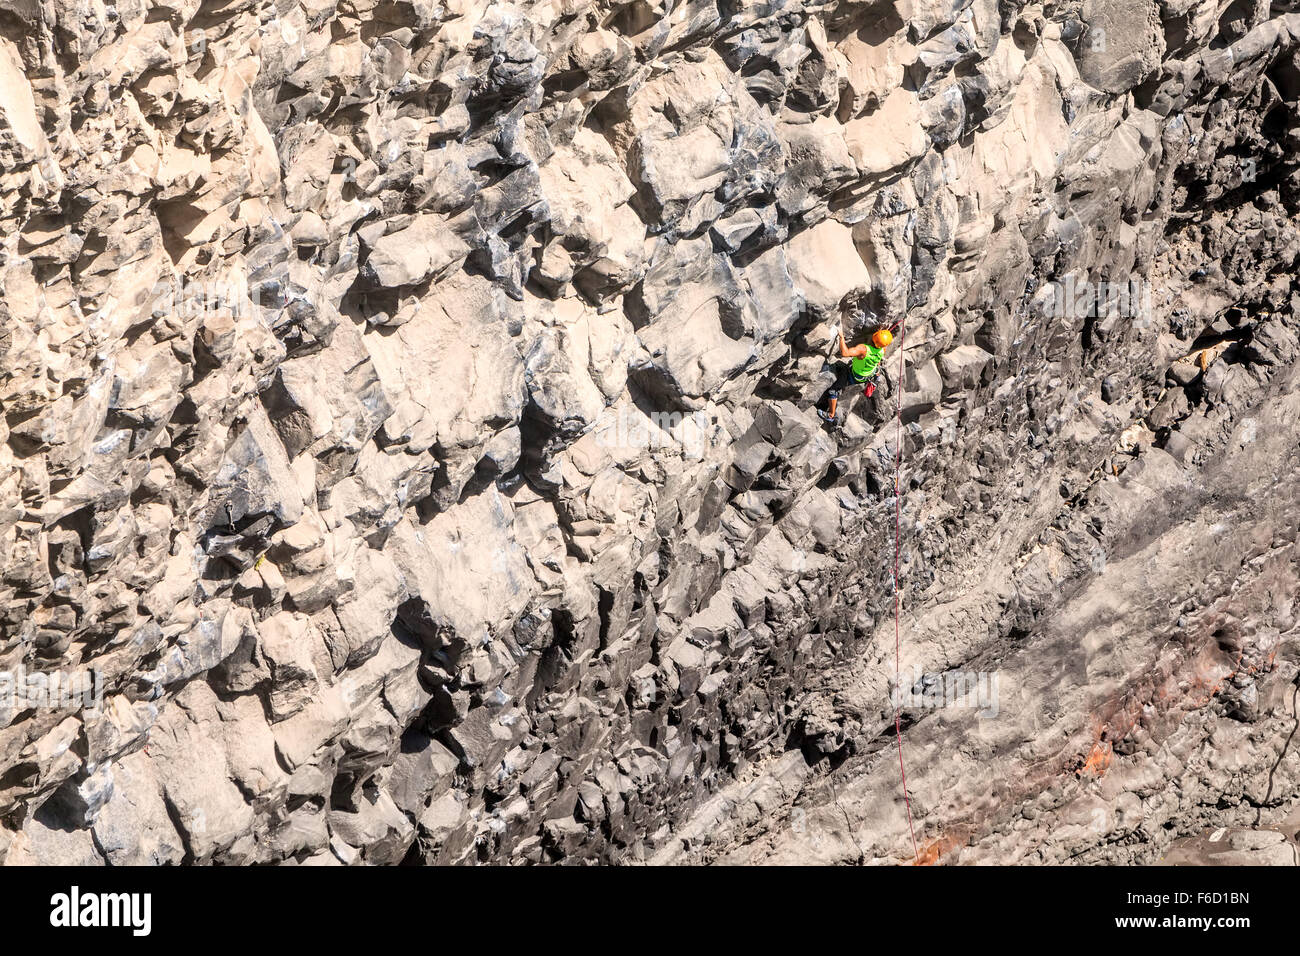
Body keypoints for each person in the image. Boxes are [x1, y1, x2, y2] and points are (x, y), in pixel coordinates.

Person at [818, 325, 893, 424]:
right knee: (875, 364)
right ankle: (877, 375)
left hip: (854, 376)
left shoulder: (863, 349)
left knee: (833, 391)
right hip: (868, 375)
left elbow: (845, 353)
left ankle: (831, 415)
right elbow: (881, 343)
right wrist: (881, 332)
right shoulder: (882, 350)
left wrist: (841, 337)